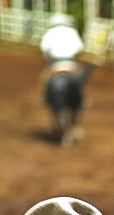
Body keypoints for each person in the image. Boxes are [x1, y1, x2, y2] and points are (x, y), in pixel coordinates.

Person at [39, 14, 93, 144]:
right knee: (78, 81)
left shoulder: (50, 32)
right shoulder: (72, 32)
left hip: (56, 63)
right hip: (70, 63)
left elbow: (44, 50)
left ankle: (46, 98)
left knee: (45, 78)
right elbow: (79, 48)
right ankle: (82, 99)